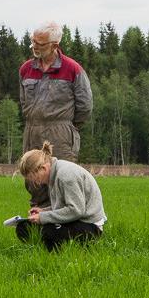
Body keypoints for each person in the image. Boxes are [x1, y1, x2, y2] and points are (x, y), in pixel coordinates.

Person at [19, 21, 93, 207]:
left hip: (60, 132)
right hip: (32, 130)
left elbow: (85, 105)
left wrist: (68, 126)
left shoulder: (72, 69)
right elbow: (23, 101)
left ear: (55, 45)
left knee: (62, 179)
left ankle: (67, 227)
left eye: (40, 43)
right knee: (33, 180)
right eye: (33, 41)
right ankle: (39, 228)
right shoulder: (26, 69)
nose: (35, 46)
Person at [16, 142, 106, 252]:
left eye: (35, 178)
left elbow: (76, 210)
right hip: (74, 220)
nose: (36, 182)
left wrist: (43, 217)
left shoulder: (66, 176)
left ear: (43, 168)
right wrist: (43, 211)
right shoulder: (53, 174)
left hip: (89, 225)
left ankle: (53, 254)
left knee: (49, 231)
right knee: (23, 227)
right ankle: (40, 249)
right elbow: (64, 205)